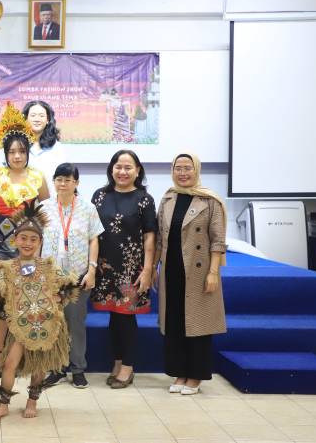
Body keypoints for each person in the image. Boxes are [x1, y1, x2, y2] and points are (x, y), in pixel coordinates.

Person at [0, 202, 79, 421]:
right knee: (9, 364)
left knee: (39, 367)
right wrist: (3, 300)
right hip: (20, 327)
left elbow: (70, 285)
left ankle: (32, 401)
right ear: (15, 239)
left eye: (33, 239)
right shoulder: (7, 267)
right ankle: (3, 405)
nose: (27, 243)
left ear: (40, 242)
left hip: (44, 324)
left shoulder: (48, 266)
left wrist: (58, 298)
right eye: (23, 238)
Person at [0, 103, 49, 376]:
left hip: (27, 248)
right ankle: (0, 352)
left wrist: (38, 250)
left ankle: (23, 351)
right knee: (0, 300)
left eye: (21, 151)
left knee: (25, 300)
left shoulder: (37, 177)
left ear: (27, 152)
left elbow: (44, 213)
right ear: (6, 153)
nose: (17, 156)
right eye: (12, 151)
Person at [156, 153, 227, 395]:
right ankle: (179, 372)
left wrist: (213, 272)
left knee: (197, 323)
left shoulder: (210, 200)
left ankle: (195, 375)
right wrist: (154, 268)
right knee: (175, 321)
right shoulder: (168, 198)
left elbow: (218, 240)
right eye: (178, 168)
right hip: (171, 269)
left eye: (188, 168)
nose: (183, 173)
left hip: (198, 271)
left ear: (196, 170)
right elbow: (160, 237)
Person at [90, 150, 157, 389]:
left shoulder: (144, 199)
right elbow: (91, 231)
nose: (123, 172)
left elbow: (150, 237)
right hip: (105, 267)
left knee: (126, 318)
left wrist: (147, 270)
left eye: (128, 167)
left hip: (131, 267)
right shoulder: (100, 196)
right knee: (114, 317)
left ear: (138, 171)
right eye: (118, 166)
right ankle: (117, 362)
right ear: (111, 169)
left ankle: (128, 366)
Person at [40, 163, 104, 389]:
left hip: (78, 277)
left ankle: (77, 369)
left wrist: (92, 270)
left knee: (75, 324)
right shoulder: (44, 208)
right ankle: (56, 368)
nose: (63, 184)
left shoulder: (88, 208)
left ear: (76, 182)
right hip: (51, 277)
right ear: (54, 181)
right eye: (59, 179)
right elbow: (36, 240)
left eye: (68, 179)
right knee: (53, 324)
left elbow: (94, 239)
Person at [22, 100, 65, 197]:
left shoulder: (57, 148)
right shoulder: (17, 145)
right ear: (25, 119)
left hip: (51, 200)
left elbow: (63, 177)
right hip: (22, 199)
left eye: (41, 116)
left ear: (48, 120)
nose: (37, 119)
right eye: (33, 115)